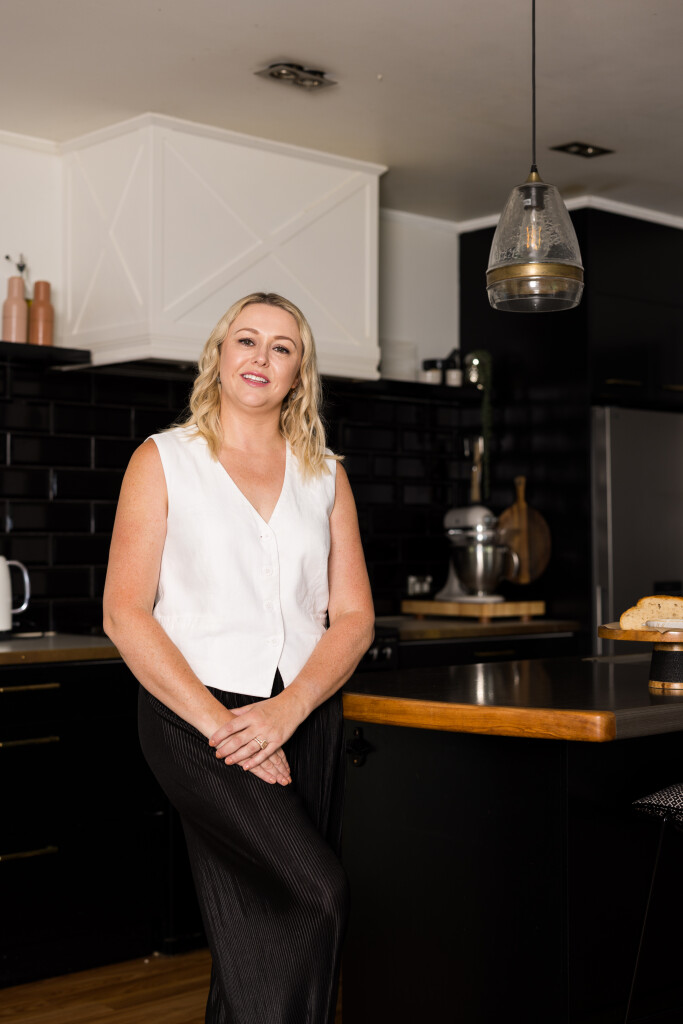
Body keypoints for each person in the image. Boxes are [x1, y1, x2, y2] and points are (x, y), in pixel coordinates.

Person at [103, 292, 374, 1024]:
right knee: (314, 894)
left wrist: (289, 710)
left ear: (299, 372)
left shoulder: (326, 475)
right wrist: (224, 727)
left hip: (303, 714)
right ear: (219, 355)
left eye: (282, 347)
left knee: (258, 922)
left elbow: (354, 618)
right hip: (195, 716)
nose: (261, 357)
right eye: (246, 340)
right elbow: (124, 613)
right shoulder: (163, 460)